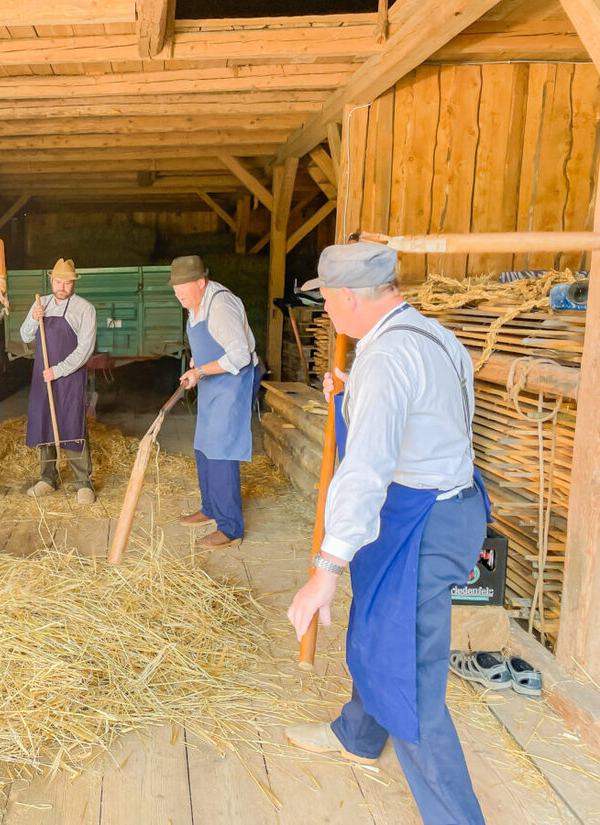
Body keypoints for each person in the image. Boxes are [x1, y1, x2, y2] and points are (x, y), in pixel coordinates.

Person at [285, 242, 489, 824]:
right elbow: (431, 415)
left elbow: (367, 470)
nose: (326, 312)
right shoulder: (429, 334)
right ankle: (358, 733)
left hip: (422, 523)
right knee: (379, 625)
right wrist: (352, 396)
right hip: (438, 504)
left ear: (350, 298)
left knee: (409, 678)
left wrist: (326, 569)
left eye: (327, 301)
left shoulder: (386, 361)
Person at [171, 255, 261, 549]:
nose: (178, 293)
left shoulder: (220, 305)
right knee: (203, 445)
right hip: (212, 379)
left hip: (235, 379)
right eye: (175, 288)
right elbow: (210, 342)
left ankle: (230, 528)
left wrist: (199, 371)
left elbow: (239, 355)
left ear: (201, 282)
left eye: (183, 286)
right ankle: (210, 508)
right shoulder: (194, 304)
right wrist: (197, 363)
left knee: (221, 449)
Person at [19, 258, 97, 504]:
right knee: (44, 422)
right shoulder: (40, 304)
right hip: (43, 376)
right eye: (58, 281)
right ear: (51, 280)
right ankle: (47, 478)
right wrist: (34, 318)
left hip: (69, 376)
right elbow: (25, 335)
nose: (62, 286)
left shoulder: (85, 309)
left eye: (67, 282)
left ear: (74, 284)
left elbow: (85, 349)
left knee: (72, 423)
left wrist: (59, 370)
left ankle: (83, 483)